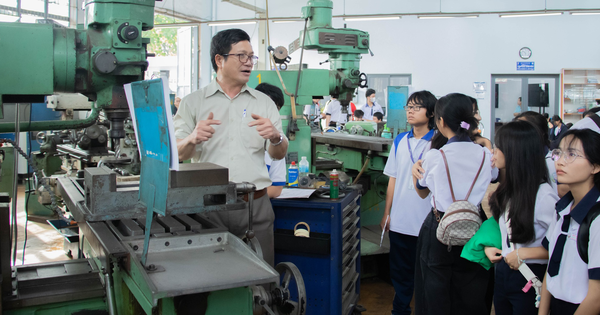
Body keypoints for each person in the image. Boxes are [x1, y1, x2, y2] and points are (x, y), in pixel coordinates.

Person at [173, 29, 288, 267]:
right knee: (212, 276)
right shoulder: (193, 103)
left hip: (255, 206)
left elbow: (278, 154)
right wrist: (192, 138)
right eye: (241, 56)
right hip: (208, 206)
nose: (249, 63)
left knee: (262, 277)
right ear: (219, 60)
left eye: (251, 57)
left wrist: (276, 138)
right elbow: (178, 154)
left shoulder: (264, 103)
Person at [412, 93, 493, 315]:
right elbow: (495, 176)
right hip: (476, 225)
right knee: (472, 290)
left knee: (434, 292)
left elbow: (421, 189)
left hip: (439, 225)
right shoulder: (486, 154)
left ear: (441, 122)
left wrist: (414, 172)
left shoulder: (435, 156)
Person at [484, 121, 558, 315]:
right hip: (504, 272)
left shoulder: (544, 196)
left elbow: (561, 247)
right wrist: (493, 247)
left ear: (515, 152)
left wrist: (524, 254)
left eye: (499, 147)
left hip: (529, 274)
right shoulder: (508, 189)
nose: (494, 152)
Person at [380, 90, 437, 315]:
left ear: (431, 113)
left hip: (426, 222)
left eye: (417, 107)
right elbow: (393, 178)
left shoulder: (437, 143)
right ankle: (400, 311)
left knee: (425, 275)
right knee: (400, 274)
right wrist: (387, 213)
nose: (411, 111)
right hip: (400, 221)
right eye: (408, 107)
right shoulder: (400, 140)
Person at [539, 129, 600, 315]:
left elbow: (596, 298)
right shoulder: (563, 208)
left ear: (595, 166)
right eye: (559, 153)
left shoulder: (596, 217)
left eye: (572, 154)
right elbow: (552, 268)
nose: (561, 161)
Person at [255, 83, 287, 199]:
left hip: (254, 207)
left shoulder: (277, 145)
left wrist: (246, 198)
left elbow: (276, 188)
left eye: (275, 109)